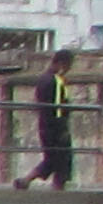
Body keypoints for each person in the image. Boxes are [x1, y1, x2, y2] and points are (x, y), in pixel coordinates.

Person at [27, 48, 77, 188]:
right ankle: (52, 185)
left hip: (45, 124)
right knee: (61, 158)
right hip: (55, 127)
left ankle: (28, 179)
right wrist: (62, 128)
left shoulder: (44, 79)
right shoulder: (56, 81)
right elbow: (57, 108)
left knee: (53, 158)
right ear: (62, 63)